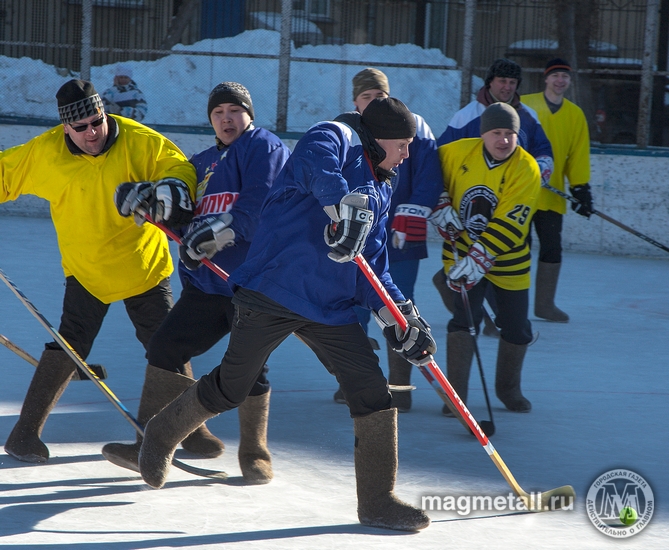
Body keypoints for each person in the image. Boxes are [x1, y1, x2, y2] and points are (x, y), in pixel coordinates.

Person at [136, 97, 436, 531]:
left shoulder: (384, 186)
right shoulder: (333, 135)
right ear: (379, 138)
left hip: (331, 309)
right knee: (233, 387)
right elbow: (316, 165)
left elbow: (374, 267)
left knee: (371, 392)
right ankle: (162, 433)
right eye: (403, 144)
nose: (407, 155)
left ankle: (377, 501)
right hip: (272, 291)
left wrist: (402, 318)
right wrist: (342, 207)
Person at [0, 79, 213, 464]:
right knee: (70, 343)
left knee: (167, 343)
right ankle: (24, 434)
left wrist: (171, 189)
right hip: (87, 271)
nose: (91, 133)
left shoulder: (138, 140)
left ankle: (192, 431)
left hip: (142, 266)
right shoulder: (44, 153)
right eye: (80, 128)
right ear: (65, 127)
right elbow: (2, 174)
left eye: (97, 121)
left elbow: (178, 167)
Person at [101, 82, 291, 484]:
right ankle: (144, 444)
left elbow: (261, 208)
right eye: (218, 111)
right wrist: (149, 203)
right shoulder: (202, 161)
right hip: (207, 284)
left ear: (249, 115)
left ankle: (255, 453)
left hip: (252, 282)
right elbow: (183, 214)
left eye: (234, 110)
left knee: (250, 368)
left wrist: (220, 233)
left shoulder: (264, 147)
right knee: (166, 347)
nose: (226, 118)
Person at [332, 68, 443, 412]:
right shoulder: (348, 132)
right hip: (359, 238)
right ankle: (360, 381)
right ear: (355, 102)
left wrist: (409, 215)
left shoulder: (413, 125)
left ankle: (401, 387)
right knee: (354, 306)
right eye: (367, 97)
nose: (374, 101)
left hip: (402, 237)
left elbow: (429, 174)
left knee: (399, 307)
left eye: (379, 95)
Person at [431, 103, 540, 414]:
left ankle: (508, 389)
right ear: (483, 134)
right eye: (496, 133)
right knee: (463, 321)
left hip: (508, 260)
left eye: (510, 134)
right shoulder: (456, 153)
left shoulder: (526, 168)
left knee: (517, 328)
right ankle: (457, 398)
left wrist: (480, 260)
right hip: (461, 251)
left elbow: (510, 222)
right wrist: (439, 202)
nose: (503, 140)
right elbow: (425, 169)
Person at [433, 58, 553, 338]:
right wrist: (440, 200)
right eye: (502, 81)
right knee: (466, 271)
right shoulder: (467, 116)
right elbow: (434, 163)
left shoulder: (526, 116)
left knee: (508, 253)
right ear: (490, 83)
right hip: (469, 216)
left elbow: (542, 149)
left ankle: (508, 320)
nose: (507, 87)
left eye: (512, 83)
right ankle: (479, 316)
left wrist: (541, 169)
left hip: (511, 199)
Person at [521, 58, 593, 322]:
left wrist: (580, 188)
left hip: (552, 196)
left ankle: (544, 305)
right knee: (518, 249)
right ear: (546, 78)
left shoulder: (575, 114)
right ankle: (511, 307)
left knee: (552, 249)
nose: (560, 80)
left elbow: (578, 155)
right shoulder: (525, 105)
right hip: (521, 193)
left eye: (565, 77)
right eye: (555, 76)